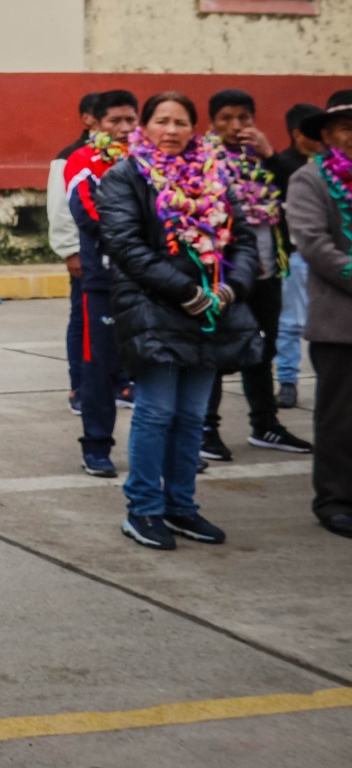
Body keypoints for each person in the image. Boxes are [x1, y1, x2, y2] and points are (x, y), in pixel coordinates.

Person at [99, 91, 261, 550]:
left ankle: (181, 507)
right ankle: (144, 510)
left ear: (194, 129)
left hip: (212, 312)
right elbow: (126, 245)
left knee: (192, 417)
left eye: (181, 122)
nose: (171, 130)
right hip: (155, 309)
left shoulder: (215, 176)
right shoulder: (124, 176)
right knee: (155, 413)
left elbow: (244, 242)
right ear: (144, 128)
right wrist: (185, 290)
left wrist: (231, 288)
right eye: (162, 121)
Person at [202, 89, 310, 456]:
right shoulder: (202, 160)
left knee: (262, 349)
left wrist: (270, 154)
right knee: (216, 351)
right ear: (212, 123)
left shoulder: (265, 158)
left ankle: (265, 425)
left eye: (243, 118)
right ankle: (206, 430)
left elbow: (303, 188)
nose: (236, 126)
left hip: (269, 269)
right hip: (226, 273)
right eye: (226, 119)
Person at [284, 88, 352, 539]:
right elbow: (313, 244)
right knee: (340, 418)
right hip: (340, 322)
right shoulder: (310, 180)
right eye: (347, 129)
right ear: (328, 135)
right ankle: (335, 500)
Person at [63, 91, 139, 476]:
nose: (125, 129)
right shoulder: (82, 161)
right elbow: (90, 216)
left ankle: (173, 447)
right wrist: (141, 240)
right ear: (96, 123)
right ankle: (96, 446)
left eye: (131, 120)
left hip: (153, 283)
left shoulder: (150, 160)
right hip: (103, 281)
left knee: (158, 362)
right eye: (116, 122)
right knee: (98, 367)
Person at [49, 93, 102, 412]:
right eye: (110, 119)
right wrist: (70, 250)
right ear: (88, 120)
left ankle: (120, 382)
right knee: (82, 320)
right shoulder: (70, 156)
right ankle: (78, 386)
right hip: (85, 254)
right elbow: (59, 207)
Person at [269, 103, 323, 407]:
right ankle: (288, 380)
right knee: (290, 322)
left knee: (328, 322)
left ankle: (326, 379)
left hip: (326, 257)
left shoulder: (331, 166)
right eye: (315, 133)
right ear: (297, 134)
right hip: (293, 256)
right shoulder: (283, 164)